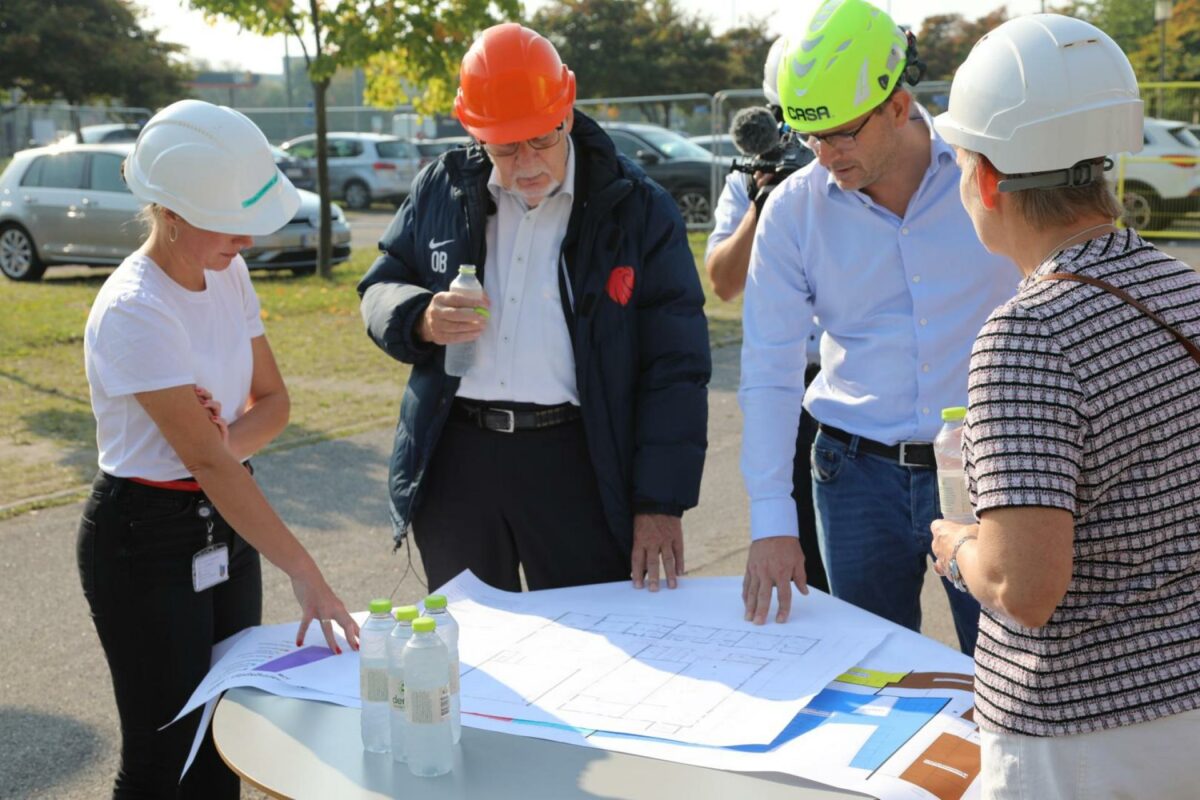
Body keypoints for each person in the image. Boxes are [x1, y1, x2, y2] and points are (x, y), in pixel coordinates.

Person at [929, 14, 1200, 797]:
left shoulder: (1026, 335)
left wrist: (956, 548)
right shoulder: (1183, 288)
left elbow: (1027, 588)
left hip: (1085, 736)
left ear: (985, 179)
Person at [358, 23, 710, 595]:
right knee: (472, 653)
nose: (525, 163)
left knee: (589, 660)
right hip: (457, 459)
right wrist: (419, 316)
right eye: (504, 147)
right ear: (474, 130)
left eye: (541, 140)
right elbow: (381, 284)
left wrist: (659, 502)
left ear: (567, 111)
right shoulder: (441, 186)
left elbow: (676, 367)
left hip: (577, 463)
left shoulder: (638, 209)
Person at [79, 99, 360, 798]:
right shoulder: (135, 309)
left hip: (221, 526)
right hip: (142, 537)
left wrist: (219, 439)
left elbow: (274, 404)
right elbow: (204, 463)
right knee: (163, 753)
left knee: (225, 737)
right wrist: (303, 567)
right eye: (231, 223)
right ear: (169, 213)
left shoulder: (227, 273)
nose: (248, 240)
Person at [737, 0, 1015, 652]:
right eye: (809, 137)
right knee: (873, 680)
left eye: (840, 134)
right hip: (852, 475)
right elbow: (770, 370)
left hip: (987, 470)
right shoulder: (792, 213)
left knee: (1012, 673)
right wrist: (772, 522)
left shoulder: (991, 175)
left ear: (897, 104)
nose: (824, 155)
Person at [705, 37, 827, 594]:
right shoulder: (746, 179)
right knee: (808, 560)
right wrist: (763, 204)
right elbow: (723, 282)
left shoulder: (848, 167)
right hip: (790, 386)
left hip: (849, 389)